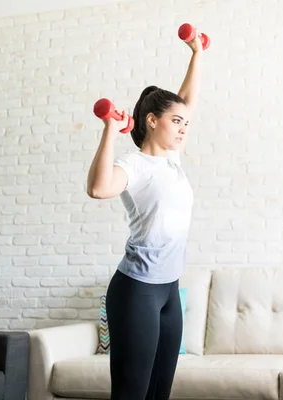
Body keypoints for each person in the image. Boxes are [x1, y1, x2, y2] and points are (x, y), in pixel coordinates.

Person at [86, 30, 203, 400]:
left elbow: (185, 101)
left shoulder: (171, 158)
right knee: (131, 393)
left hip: (169, 291)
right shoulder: (133, 165)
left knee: (159, 393)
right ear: (152, 121)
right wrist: (110, 130)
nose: (183, 129)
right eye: (176, 123)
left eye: (186, 123)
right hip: (137, 291)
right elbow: (98, 189)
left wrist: (197, 53)